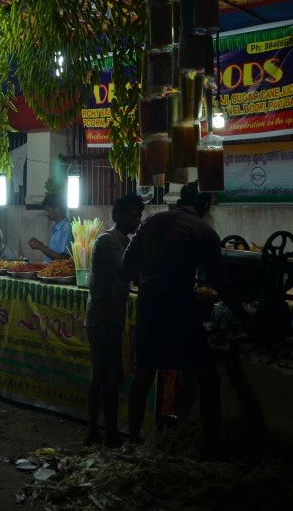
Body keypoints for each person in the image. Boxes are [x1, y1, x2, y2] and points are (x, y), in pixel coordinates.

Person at [121, 182, 253, 454]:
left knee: (145, 374)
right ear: (205, 206)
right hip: (178, 306)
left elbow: (126, 266)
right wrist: (248, 322)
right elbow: (222, 283)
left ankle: (132, 442)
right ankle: (211, 446)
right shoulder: (202, 230)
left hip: (148, 305)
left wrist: (146, 282)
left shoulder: (153, 221)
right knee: (208, 378)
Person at [83, 194, 145, 448]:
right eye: (133, 216)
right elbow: (124, 270)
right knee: (103, 377)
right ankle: (100, 432)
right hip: (103, 316)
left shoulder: (122, 242)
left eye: (139, 216)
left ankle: (102, 431)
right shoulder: (109, 241)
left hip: (111, 315)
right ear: (119, 216)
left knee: (106, 376)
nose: (137, 221)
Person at [28, 193, 73, 262]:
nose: (46, 214)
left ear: (57, 209)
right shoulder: (56, 227)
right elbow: (53, 253)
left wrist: (41, 247)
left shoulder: (66, 229)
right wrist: (40, 245)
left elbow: (63, 259)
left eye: (48, 210)